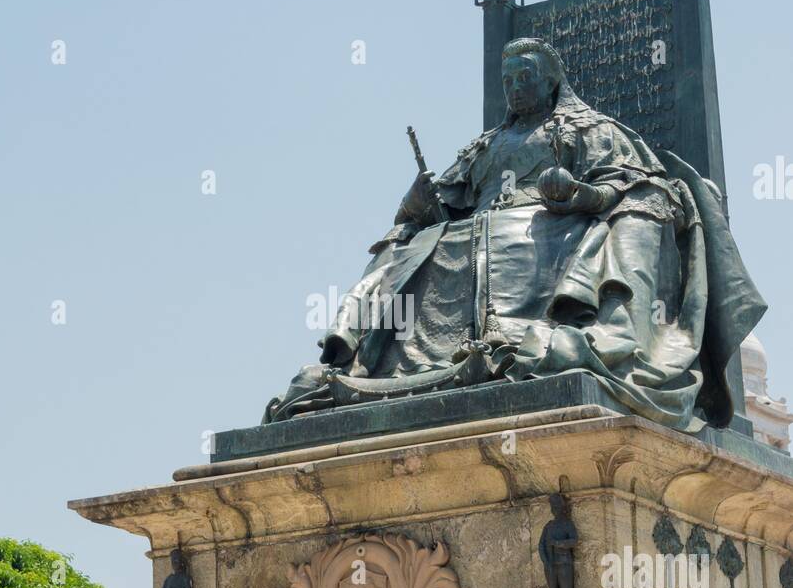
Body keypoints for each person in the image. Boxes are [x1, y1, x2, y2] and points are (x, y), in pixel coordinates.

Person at [265, 37, 764, 433]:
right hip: (474, 233)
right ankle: (359, 360)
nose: (515, 87)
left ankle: (576, 340)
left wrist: (577, 194)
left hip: (551, 225)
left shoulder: (587, 128)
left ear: (552, 83)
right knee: (408, 244)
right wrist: (418, 202)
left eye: (525, 77)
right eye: (508, 80)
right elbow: (445, 199)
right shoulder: (485, 145)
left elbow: (628, 182)